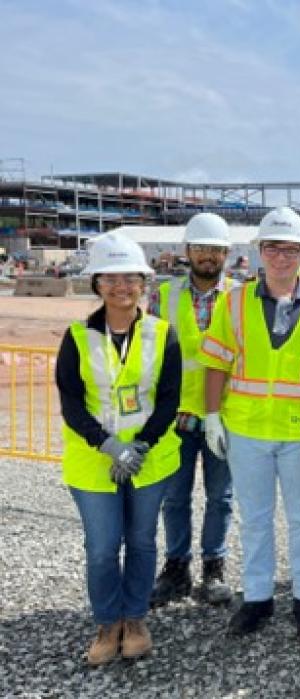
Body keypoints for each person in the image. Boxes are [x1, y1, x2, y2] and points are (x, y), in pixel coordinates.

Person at [198, 206, 300, 638]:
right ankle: (257, 598)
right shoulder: (234, 302)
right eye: (272, 248)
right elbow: (216, 361)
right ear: (259, 252)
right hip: (247, 430)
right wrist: (213, 416)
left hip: (297, 432)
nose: (280, 257)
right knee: (254, 518)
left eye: (290, 249)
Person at [56, 232, 181, 665]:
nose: (121, 286)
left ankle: (136, 618)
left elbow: (169, 398)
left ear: (143, 283)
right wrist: (110, 446)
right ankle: (108, 622)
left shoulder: (164, 334)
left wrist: (141, 446)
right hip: (95, 461)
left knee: (143, 542)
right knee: (103, 546)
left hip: (151, 459)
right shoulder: (76, 337)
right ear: (96, 284)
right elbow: (71, 401)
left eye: (130, 277)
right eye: (110, 278)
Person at [149, 213, 237, 608]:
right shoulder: (163, 295)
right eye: (200, 248)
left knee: (221, 496)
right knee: (174, 497)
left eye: (215, 249)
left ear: (226, 254)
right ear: (188, 251)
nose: (207, 255)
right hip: (176, 417)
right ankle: (176, 567)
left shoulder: (241, 297)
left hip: (224, 415)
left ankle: (214, 566)